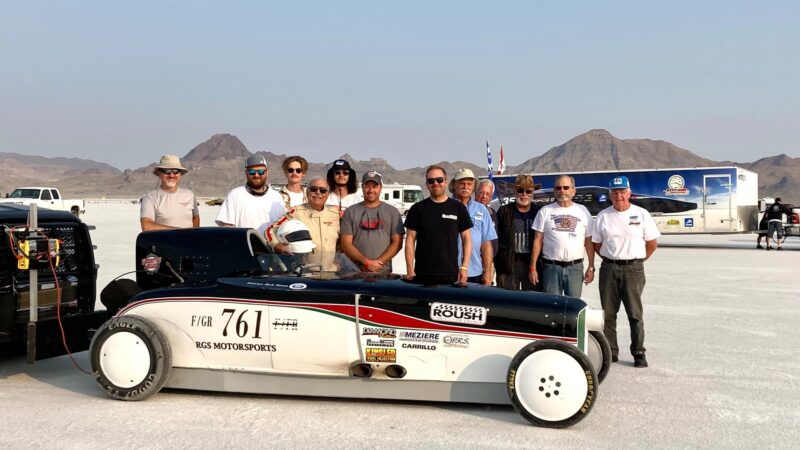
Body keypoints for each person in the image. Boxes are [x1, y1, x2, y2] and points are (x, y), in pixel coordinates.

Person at [592, 175, 660, 368]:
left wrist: (636, 260)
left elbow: (652, 243)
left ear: (629, 193)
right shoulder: (604, 216)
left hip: (634, 269)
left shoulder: (641, 214)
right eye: (615, 192)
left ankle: (639, 352)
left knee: (635, 314)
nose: (619, 196)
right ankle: (611, 351)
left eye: (622, 192)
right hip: (609, 268)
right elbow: (596, 244)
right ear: (610, 194)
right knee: (609, 314)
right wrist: (612, 257)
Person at [404, 165, 472, 285]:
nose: (435, 183)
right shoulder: (417, 209)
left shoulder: (458, 208)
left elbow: (467, 238)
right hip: (422, 275)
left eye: (439, 180)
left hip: (450, 275)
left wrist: (464, 267)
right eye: (431, 181)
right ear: (426, 185)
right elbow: (410, 240)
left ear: (445, 182)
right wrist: (410, 269)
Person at [530, 175, 595, 297]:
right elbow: (537, 241)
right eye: (558, 188)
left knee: (572, 307)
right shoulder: (545, 211)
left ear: (573, 191)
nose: (562, 191)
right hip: (551, 268)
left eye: (566, 187)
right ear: (554, 191)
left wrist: (591, 267)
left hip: (575, 268)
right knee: (551, 308)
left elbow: (589, 241)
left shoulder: (583, 211)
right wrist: (532, 267)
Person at [265, 178, 340, 271]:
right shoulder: (296, 212)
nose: (318, 193)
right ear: (307, 192)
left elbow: (342, 240)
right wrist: (276, 245)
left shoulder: (335, 214)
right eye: (313, 189)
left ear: (327, 194)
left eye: (323, 190)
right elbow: (270, 230)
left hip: (330, 273)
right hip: (305, 272)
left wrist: (339, 260)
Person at [340, 171, 405, 272]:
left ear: (380, 188)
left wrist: (378, 263)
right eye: (367, 186)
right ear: (362, 188)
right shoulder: (351, 212)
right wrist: (366, 262)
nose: (371, 190)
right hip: (355, 272)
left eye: (374, 186)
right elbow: (346, 244)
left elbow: (397, 243)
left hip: (383, 272)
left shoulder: (392, 212)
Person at [494, 174, 541, 291]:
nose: (524, 194)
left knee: (532, 300)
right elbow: (495, 238)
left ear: (533, 193)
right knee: (507, 300)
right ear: (515, 191)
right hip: (508, 263)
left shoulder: (539, 211)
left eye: (528, 191)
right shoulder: (504, 211)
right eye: (520, 190)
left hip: (531, 263)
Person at [215, 155, 286, 232]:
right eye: (252, 172)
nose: (256, 175)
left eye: (261, 172)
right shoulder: (235, 195)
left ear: (267, 172)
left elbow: (283, 227)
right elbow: (227, 227)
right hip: (244, 243)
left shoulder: (276, 197)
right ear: (246, 173)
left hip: (270, 244)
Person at [450, 169, 497, 285]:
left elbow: (487, 244)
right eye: (462, 183)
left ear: (473, 187)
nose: (466, 186)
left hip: (475, 272)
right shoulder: (446, 207)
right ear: (454, 185)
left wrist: (487, 272)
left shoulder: (482, 210)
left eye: (469, 184)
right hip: (449, 270)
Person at [140, 155, 200, 231]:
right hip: (163, 243)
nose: (171, 175)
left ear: (180, 174)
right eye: (167, 171)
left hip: (188, 243)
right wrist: (181, 233)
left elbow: (195, 218)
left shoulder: (190, 195)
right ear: (159, 173)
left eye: (175, 171)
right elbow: (147, 226)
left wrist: (193, 237)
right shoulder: (150, 198)